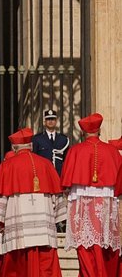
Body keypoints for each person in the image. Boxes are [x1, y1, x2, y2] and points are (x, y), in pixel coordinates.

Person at [0, 128, 66, 277]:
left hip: (19, 227)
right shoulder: (46, 164)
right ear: (31, 146)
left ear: (14, 147)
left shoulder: (7, 166)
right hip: (43, 226)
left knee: (19, 266)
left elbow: (2, 197)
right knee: (45, 263)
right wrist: (57, 218)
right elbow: (56, 196)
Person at [60, 113, 121, 277]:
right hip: (105, 205)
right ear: (99, 130)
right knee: (105, 244)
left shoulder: (75, 151)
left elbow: (65, 182)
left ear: (82, 132)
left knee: (86, 245)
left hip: (83, 205)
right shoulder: (112, 151)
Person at [32, 109, 70, 175]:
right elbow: (34, 158)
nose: (50, 121)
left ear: (56, 121)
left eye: (52, 119)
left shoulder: (63, 139)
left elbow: (67, 159)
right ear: (45, 122)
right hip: (43, 173)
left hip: (59, 174)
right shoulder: (37, 139)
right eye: (48, 119)